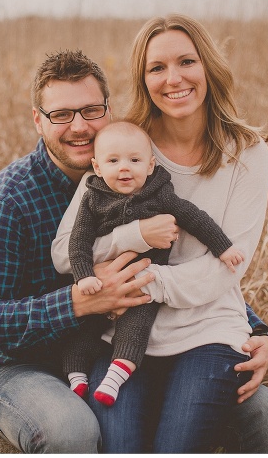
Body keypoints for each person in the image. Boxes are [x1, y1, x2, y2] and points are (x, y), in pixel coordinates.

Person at [0, 48, 268, 453]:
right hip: (24, 366)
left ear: (109, 111)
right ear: (37, 120)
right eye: (61, 114)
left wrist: (256, 330)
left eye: (91, 110)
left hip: (114, 347)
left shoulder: (129, 176)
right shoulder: (6, 201)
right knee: (71, 429)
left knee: (265, 411)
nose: (79, 126)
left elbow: (175, 264)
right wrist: (77, 304)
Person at [51, 14, 268, 452]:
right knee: (121, 446)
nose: (173, 79)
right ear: (144, 80)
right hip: (121, 336)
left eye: (186, 62)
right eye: (157, 67)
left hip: (208, 332)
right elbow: (66, 251)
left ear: (208, 66)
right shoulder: (126, 145)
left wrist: (146, 281)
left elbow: (227, 267)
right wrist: (136, 234)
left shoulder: (247, 153)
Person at [63, 120, 245, 407]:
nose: (124, 168)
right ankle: (77, 377)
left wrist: (223, 247)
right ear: (97, 167)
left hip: (144, 285)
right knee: (84, 329)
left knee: (135, 329)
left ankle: (114, 379)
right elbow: (78, 242)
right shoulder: (93, 199)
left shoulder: (159, 194)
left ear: (150, 166)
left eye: (134, 161)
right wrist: (85, 276)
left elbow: (193, 217)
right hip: (103, 283)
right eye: (113, 161)